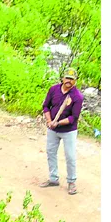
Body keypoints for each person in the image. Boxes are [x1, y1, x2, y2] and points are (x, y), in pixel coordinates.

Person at [39, 67, 84, 195]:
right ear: (63, 78)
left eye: (72, 79)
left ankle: (71, 182)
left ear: (75, 81)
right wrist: (49, 121)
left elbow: (73, 118)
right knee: (51, 152)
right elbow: (46, 106)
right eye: (67, 78)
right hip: (52, 129)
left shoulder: (77, 97)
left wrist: (57, 122)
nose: (69, 81)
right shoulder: (53, 89)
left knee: (70, 156)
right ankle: (53, 179)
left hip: (68, 131)